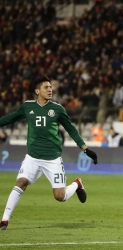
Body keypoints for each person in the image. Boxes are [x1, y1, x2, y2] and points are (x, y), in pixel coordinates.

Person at [0, 76, 98, 230]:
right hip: (32, 157)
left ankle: (77, 184)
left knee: (60, 196)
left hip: (52, 159)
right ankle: (4, 221)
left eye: (51, 87)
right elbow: (10, 118)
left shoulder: (58, 109)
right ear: (37, 91)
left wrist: (84, 148)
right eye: (46, 87)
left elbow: (70, 128)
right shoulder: (27, 107)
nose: (50, 89)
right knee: (21, 183)